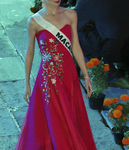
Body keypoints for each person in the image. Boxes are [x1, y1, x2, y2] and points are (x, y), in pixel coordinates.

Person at [15, 0, 97, 149]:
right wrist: (26, 83)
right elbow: (30, 53)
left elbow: (76, 47)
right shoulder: (34, 21)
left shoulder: (70, 14)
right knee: (54, 117)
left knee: (70, 116)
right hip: (49, 80)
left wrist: (86, 76)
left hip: (69, 75)